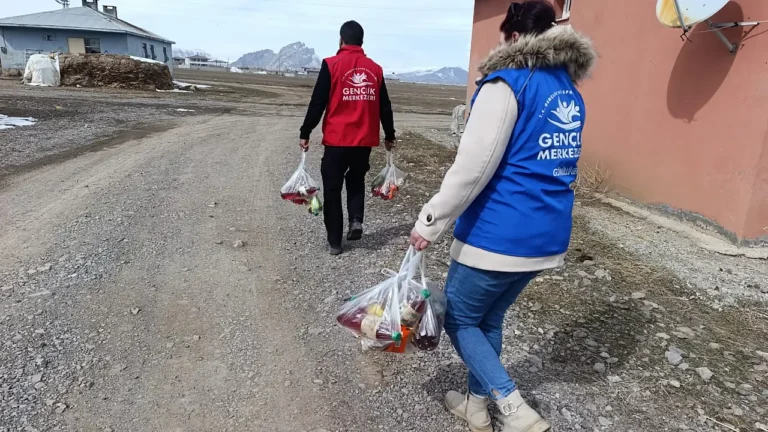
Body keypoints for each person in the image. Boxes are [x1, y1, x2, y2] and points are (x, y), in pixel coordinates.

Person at [409, 1, 597, 431]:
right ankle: (476, 407)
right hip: (546, 234)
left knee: (459, 318)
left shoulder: (507, 83)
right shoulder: (568, 89)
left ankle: (514, 409)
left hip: (498, 234)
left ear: (513, 37)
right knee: (488, 319)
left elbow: (473, 168)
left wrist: (430, 222)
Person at [299, 20, 397, 256]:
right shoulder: (374, 69)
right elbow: (384, 105)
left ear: (341, 39)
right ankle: (356, 221)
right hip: (363, 142)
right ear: (361, 42)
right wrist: (389, 134)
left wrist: (305, 131)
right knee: (355, 180)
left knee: (332, 189)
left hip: (337, 140)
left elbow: (318, 101)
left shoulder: (331, 65)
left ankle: (335, 241)